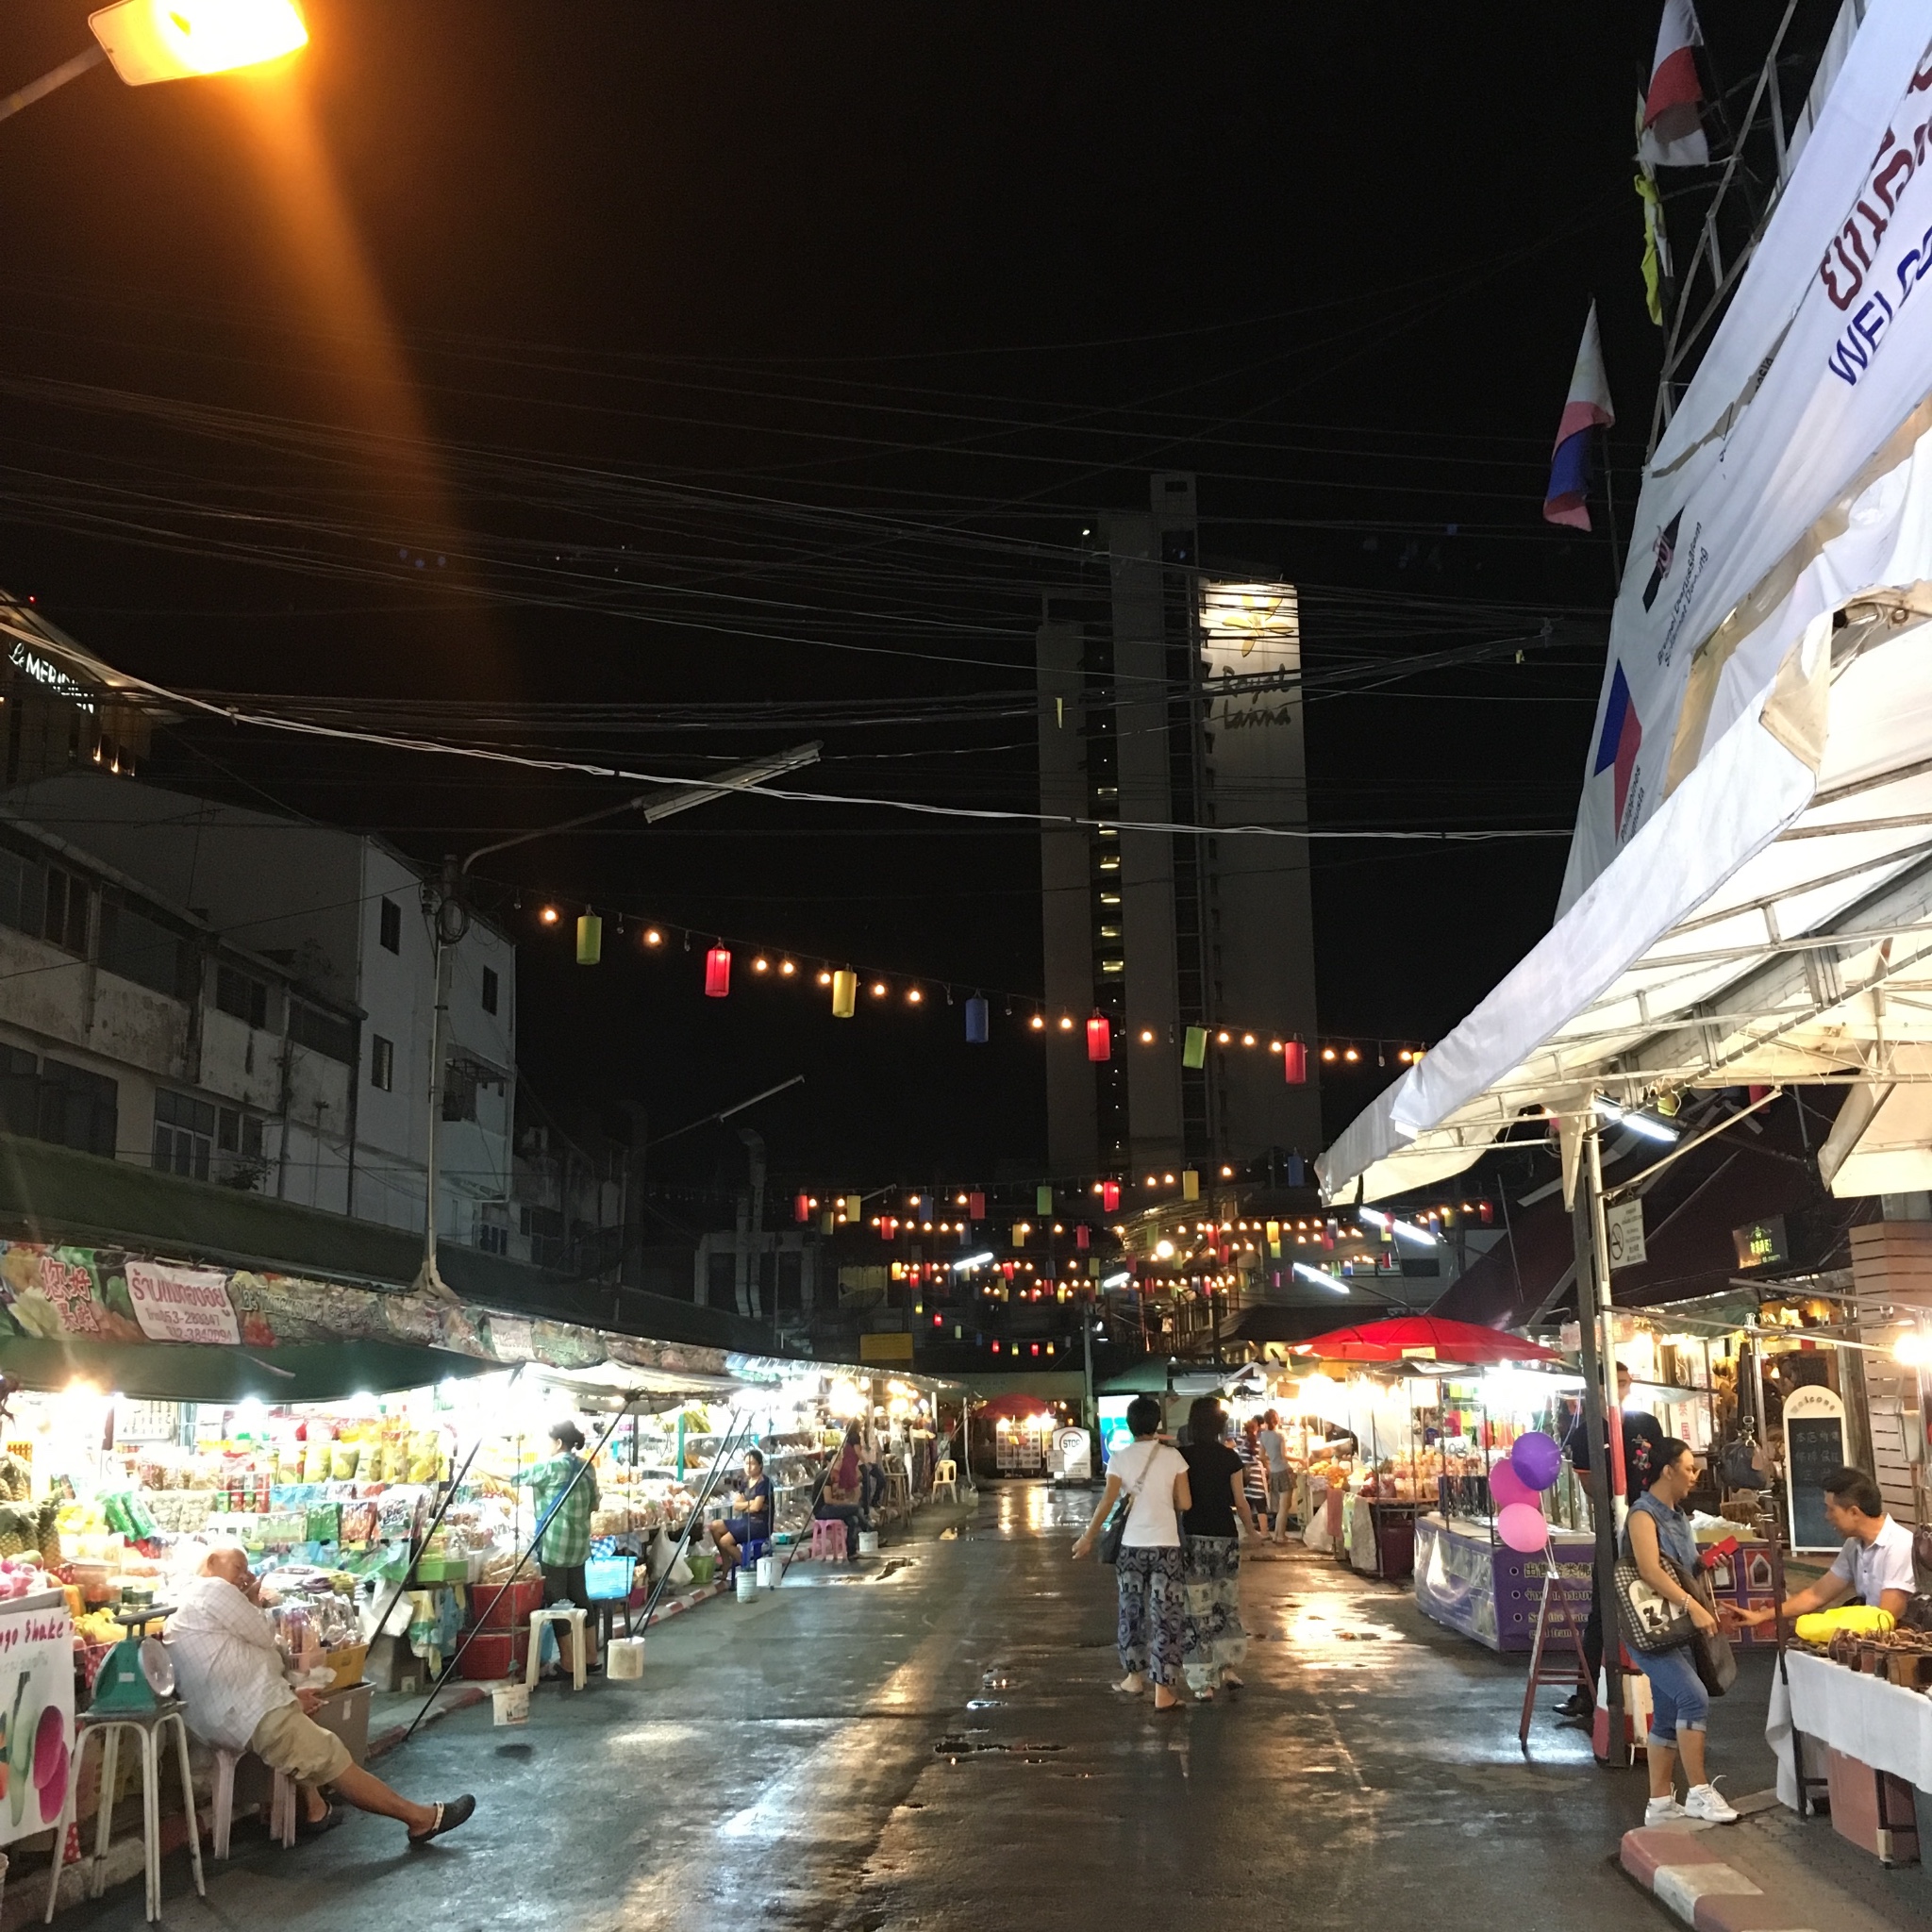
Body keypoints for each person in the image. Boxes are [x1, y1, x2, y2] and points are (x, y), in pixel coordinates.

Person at [168, 1547, 474, 1843]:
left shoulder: (193, 1602)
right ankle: (420, 1819)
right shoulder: (212, 1590)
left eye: (247, 1570)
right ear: (211, 1561)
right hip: (248, 1712)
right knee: (329, 1755)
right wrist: (252, 1601)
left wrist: (288, 1694)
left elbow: (247, 1657)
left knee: (308, 1734)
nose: (245, 1576)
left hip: (230, 1713)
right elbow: (264, 1634)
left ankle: (316, 1809)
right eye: (238, 1567)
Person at [1624, 1440, 1740, 1824]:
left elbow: (1680, 1570)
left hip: (1680, 1630)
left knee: (1670, 1711)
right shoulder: (1642, 1515)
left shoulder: (1678, 1516)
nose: (1695, 1476)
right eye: (1689, 1468)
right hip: (1653, 1630)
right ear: (1667, 1470)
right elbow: (1649, 1571)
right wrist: (1694, 1607)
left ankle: (1659, 1804)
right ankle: (1700, 1792)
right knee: (1693, 1698)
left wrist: (1704, 1563)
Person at [1557, 1363, 1667, 1720]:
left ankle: (1664, 1690)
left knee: (1659, 1606)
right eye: (1616, 1383)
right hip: (1611, 1529)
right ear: (1599, 1387)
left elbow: (1662, 1472)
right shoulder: (1585, 1433)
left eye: (1626, 1382)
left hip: (1652, 1525)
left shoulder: (1646, 1425)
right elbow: (1592, 1488)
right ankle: (1587, 1694)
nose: (1623, 1389)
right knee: (1603, 1612)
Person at [1072, 1394, 1191, 1710]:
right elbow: (1185, 1502)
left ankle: (1133, 1678)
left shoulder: (1120, 1458)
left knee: (1131, 1611)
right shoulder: (1174, 1457)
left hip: (1131, 1548)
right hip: (1167, 1546)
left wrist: (1088, 1537)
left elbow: (1107, 1502)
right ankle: (1163, 1691)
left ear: (1129, 1425)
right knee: (1166, 1616)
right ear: (1157, 1423)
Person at [1738, 1465, 1915, 1627]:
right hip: (1870, 1631)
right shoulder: (1853, 1544)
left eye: (1831, 1510)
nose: (1827, 1517)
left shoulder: (1899, 1546)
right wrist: (1762, 1616)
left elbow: (1886, 1618)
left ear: (1854, 1512)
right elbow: (1816, 1594)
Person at [1179, 1396, 1257, 1701]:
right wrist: (1253, 1531)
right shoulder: (1230, 1458)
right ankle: (1229, 1669)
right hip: (1225, 1537)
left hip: (1193, 1537)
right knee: (1226, 1604)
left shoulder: (1182, 1457)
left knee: (1197, 1610)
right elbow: (1240, 1502)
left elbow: (1179, 1501)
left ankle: (1204, 1682)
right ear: (1220, 1424)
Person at [519, 1420, 600, 1676]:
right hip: (578, 1544)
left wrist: (473, 1464)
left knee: (557, 1602)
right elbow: (595, 1505)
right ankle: (590, 1657)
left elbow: (514, 1477)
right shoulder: (587, 1467)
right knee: (580, 1597)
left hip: (555, 1545)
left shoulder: (552, 1466)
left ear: (558, 1442)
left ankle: (568, 1662)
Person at [705, 1448, 774, 1574]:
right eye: (746, 1463)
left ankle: (745, 1566)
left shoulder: (764, 1482)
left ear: (760, 1465)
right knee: (714, 1526)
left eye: (752, 1464)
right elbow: (736, 1505)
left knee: (725, 1541)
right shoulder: (746, 1482)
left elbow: (757, 1508)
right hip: (745, 1520)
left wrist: (747, 1505)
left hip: (759, 1524)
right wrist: (751, 1503)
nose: (749, 1467)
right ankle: (726, 1561)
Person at [814, 1423, 866, 1559]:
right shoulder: (825, 1476)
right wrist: (845, 1503)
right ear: (828, 1462)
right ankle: (868, 1530)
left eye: (840, 1459)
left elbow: (835, 1495)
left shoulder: (834, 1475)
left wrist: (843, 1498)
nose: (840, 1462)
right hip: (823, 1510)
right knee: (855, 1508)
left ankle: (851, 1551)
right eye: (836, 1460)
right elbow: (828, 1500)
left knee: (853, 1519)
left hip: (830, 1508)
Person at [1256, 1407, 1291, 1543]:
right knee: (1284, 1506)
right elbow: (1284, 1455)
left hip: (1274, 1472)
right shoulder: (1280, 1435)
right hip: (1284, 1470)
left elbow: (1261, 1456)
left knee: (1282, 1506)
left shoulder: (1263, 1436)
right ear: (1277, 1420)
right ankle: (1280, 1536)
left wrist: (1270, 1462)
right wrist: (1300, 1460)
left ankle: (1277, 1534)